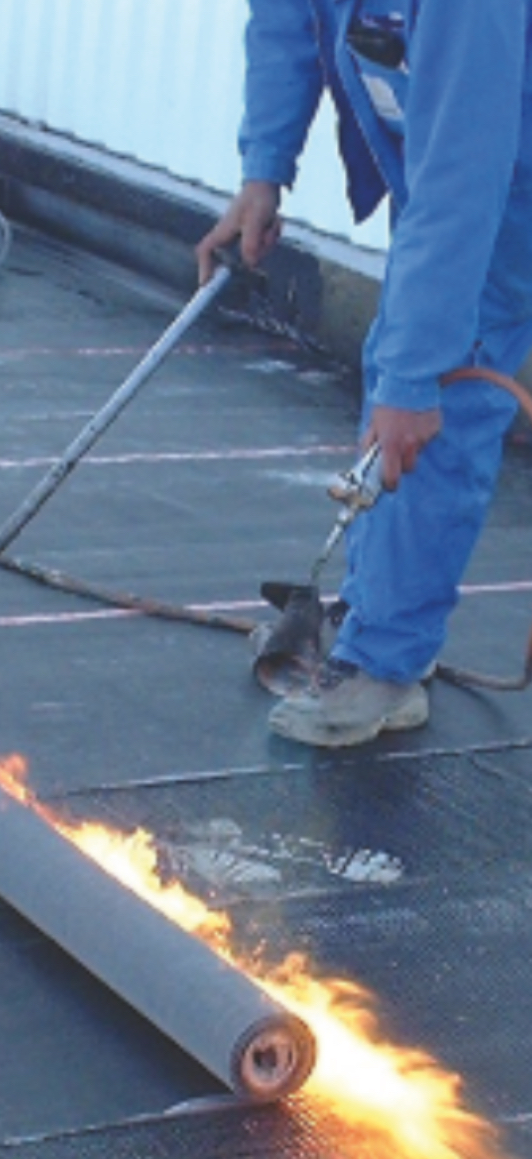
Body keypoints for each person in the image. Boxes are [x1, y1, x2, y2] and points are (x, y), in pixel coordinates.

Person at [196, 1, 532, 747]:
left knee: (441, 387)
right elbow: (288, 25)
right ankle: (379, 612)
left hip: (502, 175)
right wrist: (263, 172)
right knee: (406, 358)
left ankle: (385, 664)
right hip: (455, 161)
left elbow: (461, 176)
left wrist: (414, 383)